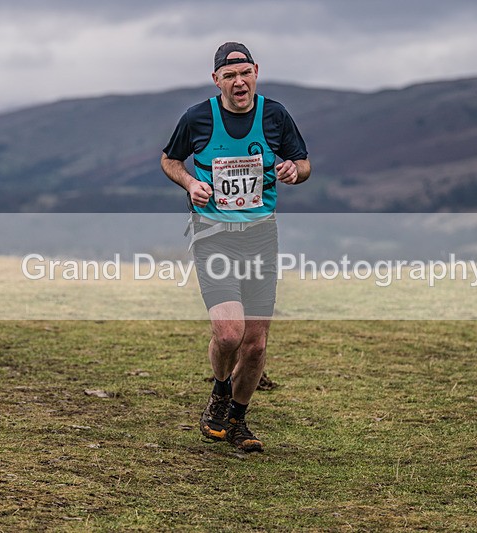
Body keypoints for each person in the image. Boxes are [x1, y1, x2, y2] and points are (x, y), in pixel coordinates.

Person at [161, 42, 310, 452]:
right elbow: (170, 160)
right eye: (229, 75)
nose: (238, 81)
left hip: (262, 238)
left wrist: (292, 171)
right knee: (229, 334)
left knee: (256, 343)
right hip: (214, 237)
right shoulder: (197, 118)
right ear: (217, 80)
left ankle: (238, 421)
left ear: (256, 72)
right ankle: (220, 392)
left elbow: (304, 163)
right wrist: (191, 183)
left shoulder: (275, 115)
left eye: (244, 73)